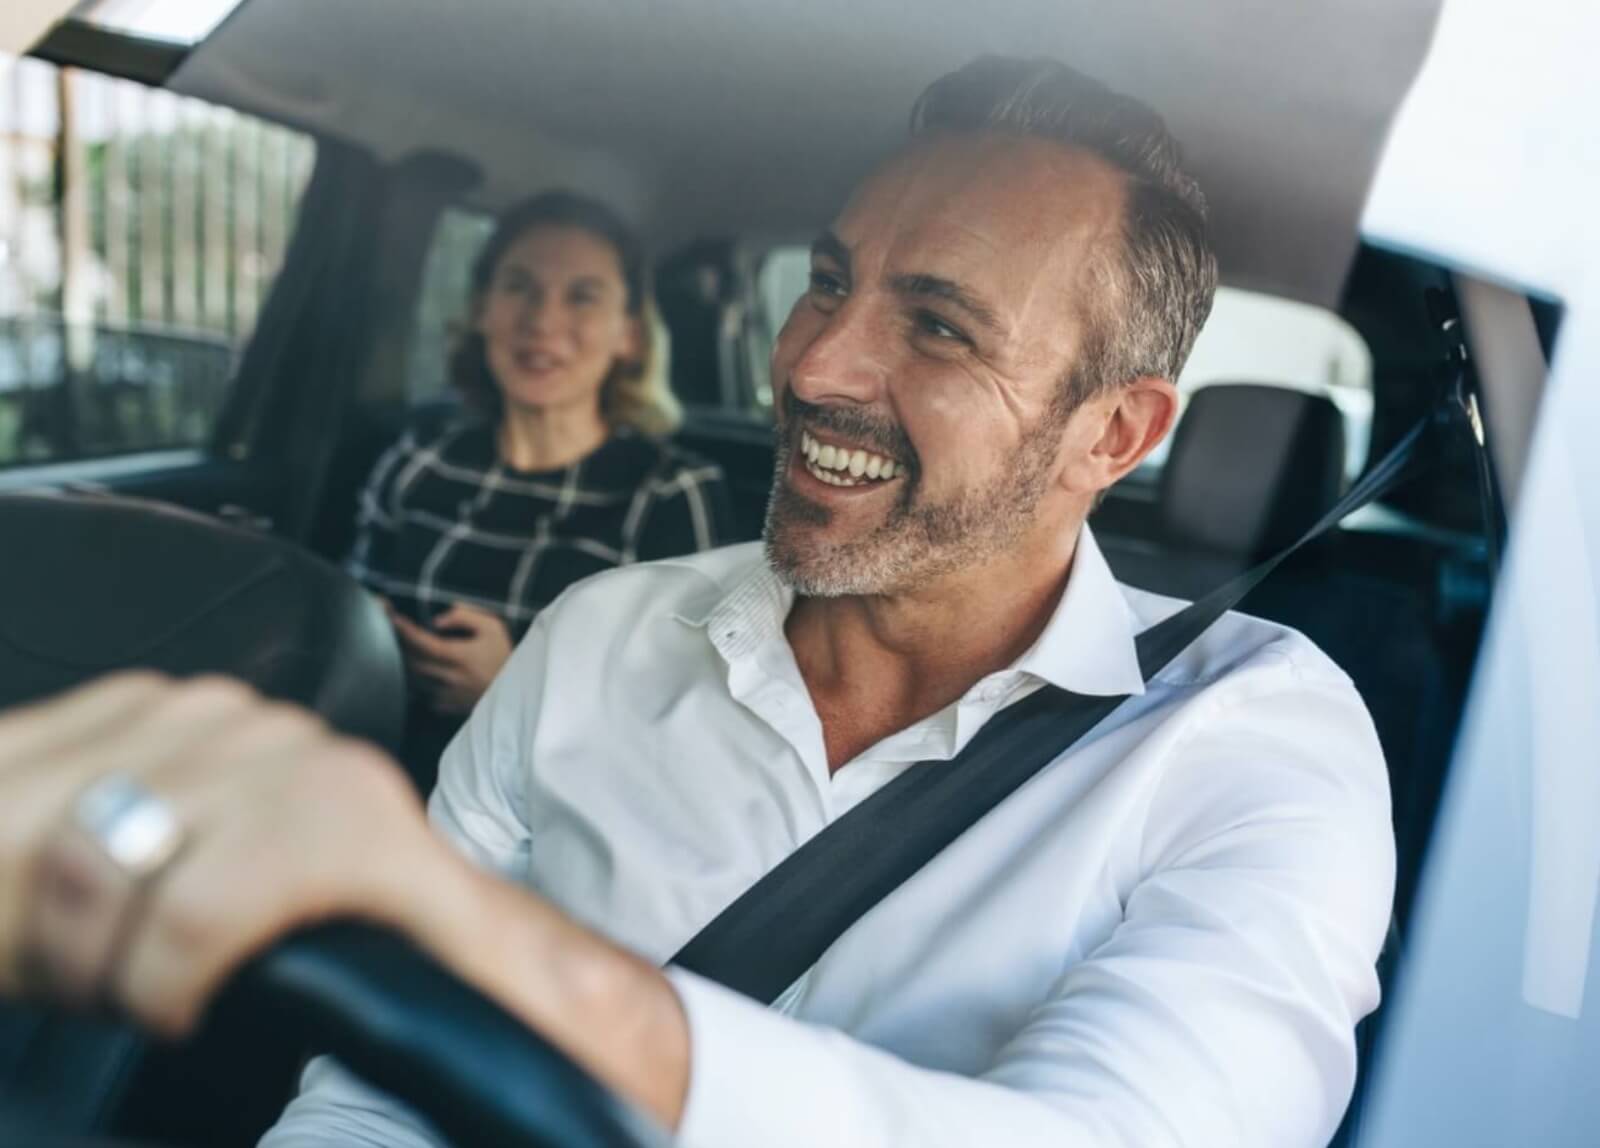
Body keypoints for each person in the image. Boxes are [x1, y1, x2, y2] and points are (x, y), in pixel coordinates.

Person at [0, 58, 1393, 1148]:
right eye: (829, 283)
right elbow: (370, 1103)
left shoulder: (1252, 748)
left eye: (940, 323)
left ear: (1115, 436)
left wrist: (458, 935)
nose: (819, 364)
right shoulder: (599, 638)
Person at [350, 191, 733, 786]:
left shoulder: (669, 492)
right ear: (481, 311)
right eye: (519, 287)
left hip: (539, 813)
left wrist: (514, 690)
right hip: (372, 773)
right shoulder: (421, 457)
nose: (542, 321)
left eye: (581, 295)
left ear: (628, 334)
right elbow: (354, 597)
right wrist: (369, 632)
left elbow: (685, 724)